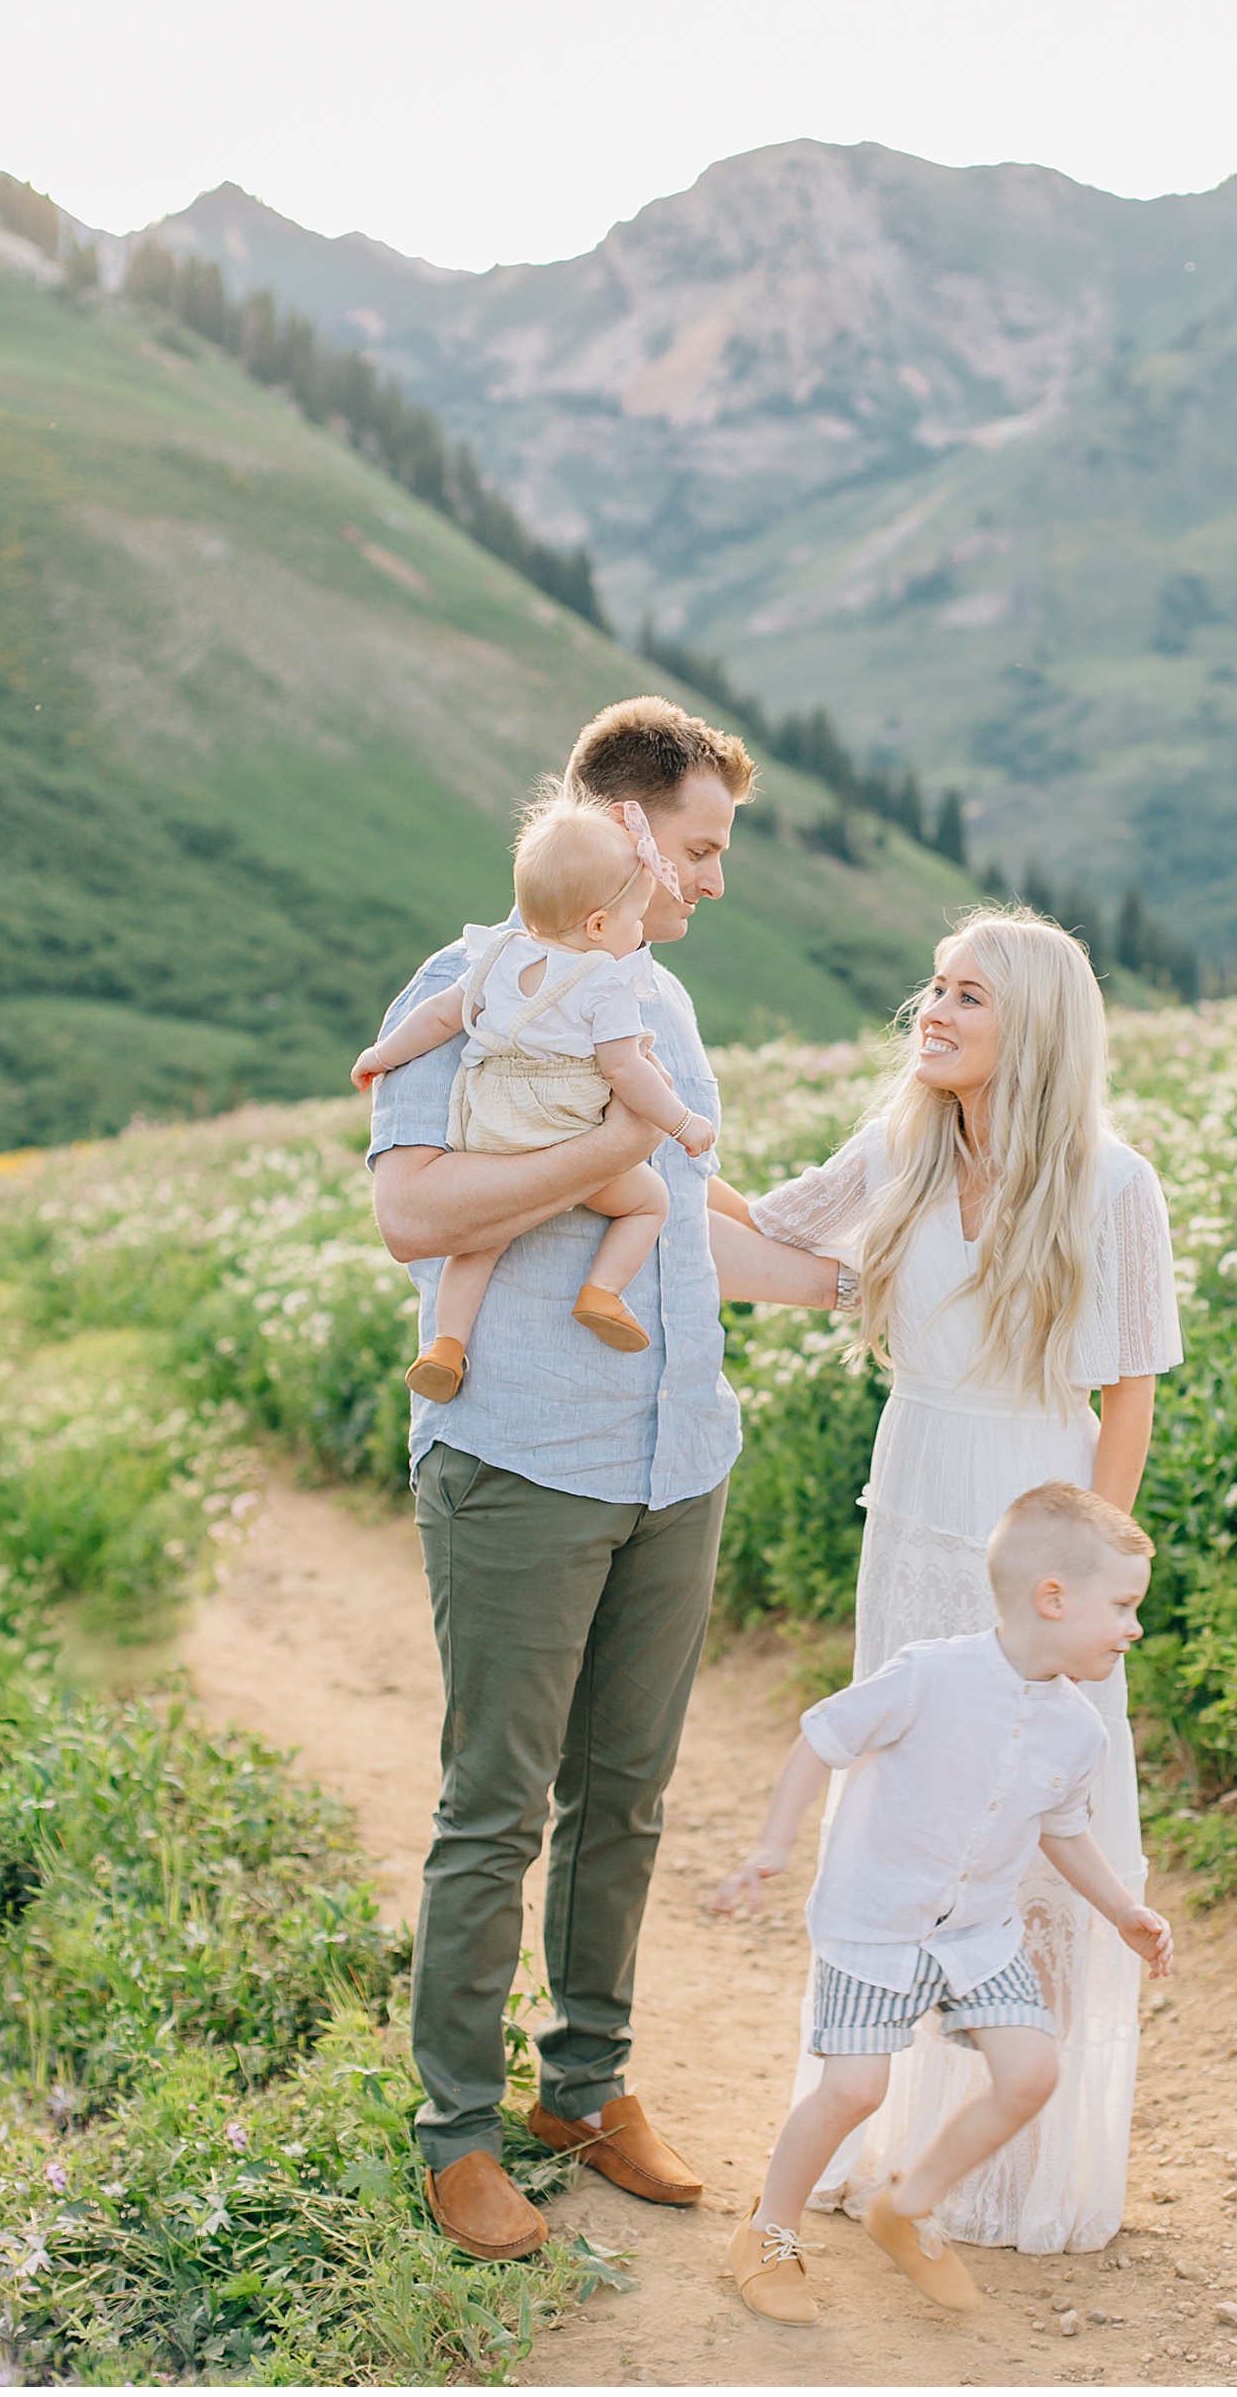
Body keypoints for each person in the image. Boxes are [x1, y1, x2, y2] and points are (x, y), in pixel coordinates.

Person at [709, 907, 1184, 2255]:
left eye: (967, 995)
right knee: (911, 1810)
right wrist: (641, 1133)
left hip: (1034, 1517)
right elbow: (764, 1228)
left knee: (1035, 1814)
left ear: (1028, 1027)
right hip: (913, 1516)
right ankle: (891, 2130)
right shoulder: (899, 1155)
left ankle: (1014, 2168)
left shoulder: (1111, 1184)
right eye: (933, 987)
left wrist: (1093, 1578)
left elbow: (1131, 1388)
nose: (934, 1009)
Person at [366, 695, 755, 2264]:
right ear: (629, 826)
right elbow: (414, 1213)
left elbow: (687, 1215)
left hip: (678, 1448)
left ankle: (584, 2086)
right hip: (521, 1447)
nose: (717, 880)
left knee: (630, 1796)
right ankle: (456, 2126)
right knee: (496, 1805)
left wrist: (876, 1263)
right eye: (705, 846)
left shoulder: (658, 996)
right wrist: (605, 1157)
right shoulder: (473, 979)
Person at [710, 1484, 1173, 2325]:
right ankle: (768, 2229)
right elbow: (822, 1735)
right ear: (1053, 1597)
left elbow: (1062, 1831)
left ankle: (907, 2203)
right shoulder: (930, 1674)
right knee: (853, 2090)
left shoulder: (1081, 1729)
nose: (1135, 1625)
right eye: (1125, 1604)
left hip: (975, 1935)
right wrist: (774, 1844)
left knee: (1032, 2070)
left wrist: (1121, 1910)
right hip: (875, 1924)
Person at [352, 792, 717, 1389]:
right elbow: (627, 1070)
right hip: (565, 1120)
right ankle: (601, 1293)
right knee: (649, 1200)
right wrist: (681, 1123)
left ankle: (446, 1346)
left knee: (483, 1239)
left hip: (492, 1124)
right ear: (600, 924)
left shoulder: (495, 958)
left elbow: (442, 1017)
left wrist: (382, 1054)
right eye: (634, 918)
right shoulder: (607, 985)